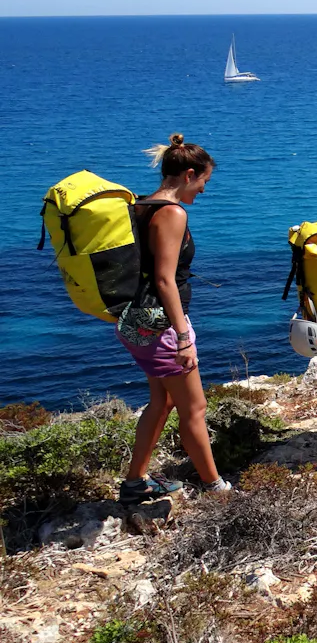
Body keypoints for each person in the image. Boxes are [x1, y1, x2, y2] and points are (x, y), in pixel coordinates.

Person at [116, 133, 230, 504]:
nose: (204, 190)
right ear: (189, 175)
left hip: (137, 320)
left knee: (161, 401)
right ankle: (216, 490)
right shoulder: (172, 213)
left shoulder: (140, 205)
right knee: (194, 409)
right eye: (204, 181)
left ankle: (135, 483)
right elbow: (165, 279)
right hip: (162, 325)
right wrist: (183, 336)